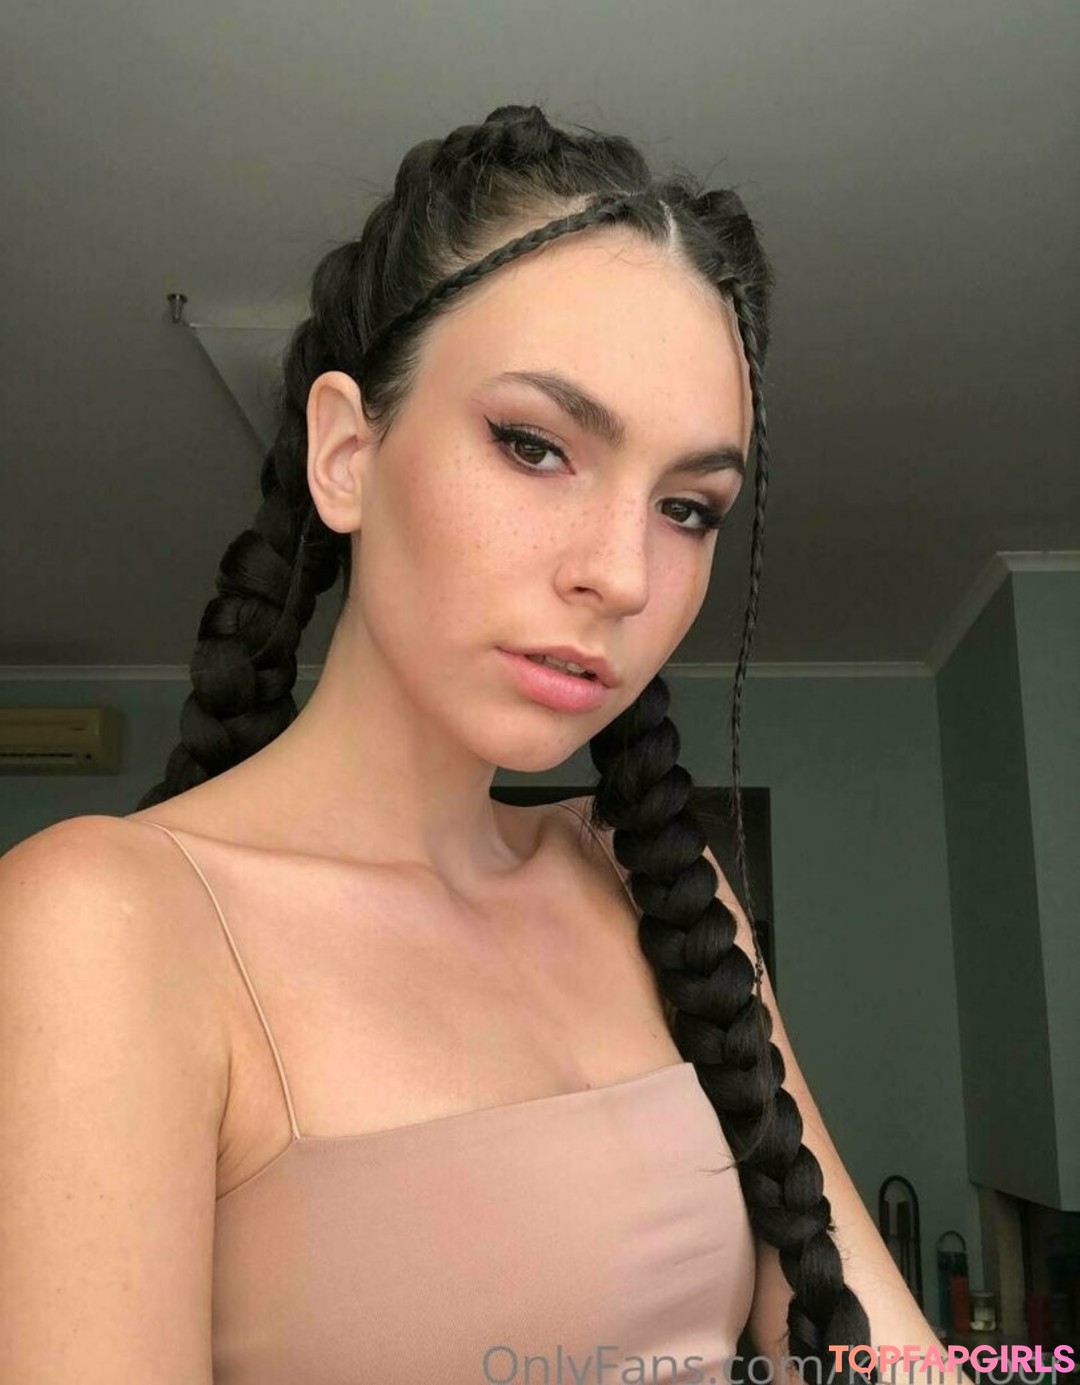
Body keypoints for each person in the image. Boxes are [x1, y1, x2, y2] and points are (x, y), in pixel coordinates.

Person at [2, 105, 954, 1385]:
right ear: (348, 452)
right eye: (534, 445)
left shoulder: (656, 891)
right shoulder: (108, 922)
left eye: (687, 507)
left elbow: (880, 1350)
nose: (623, 574)